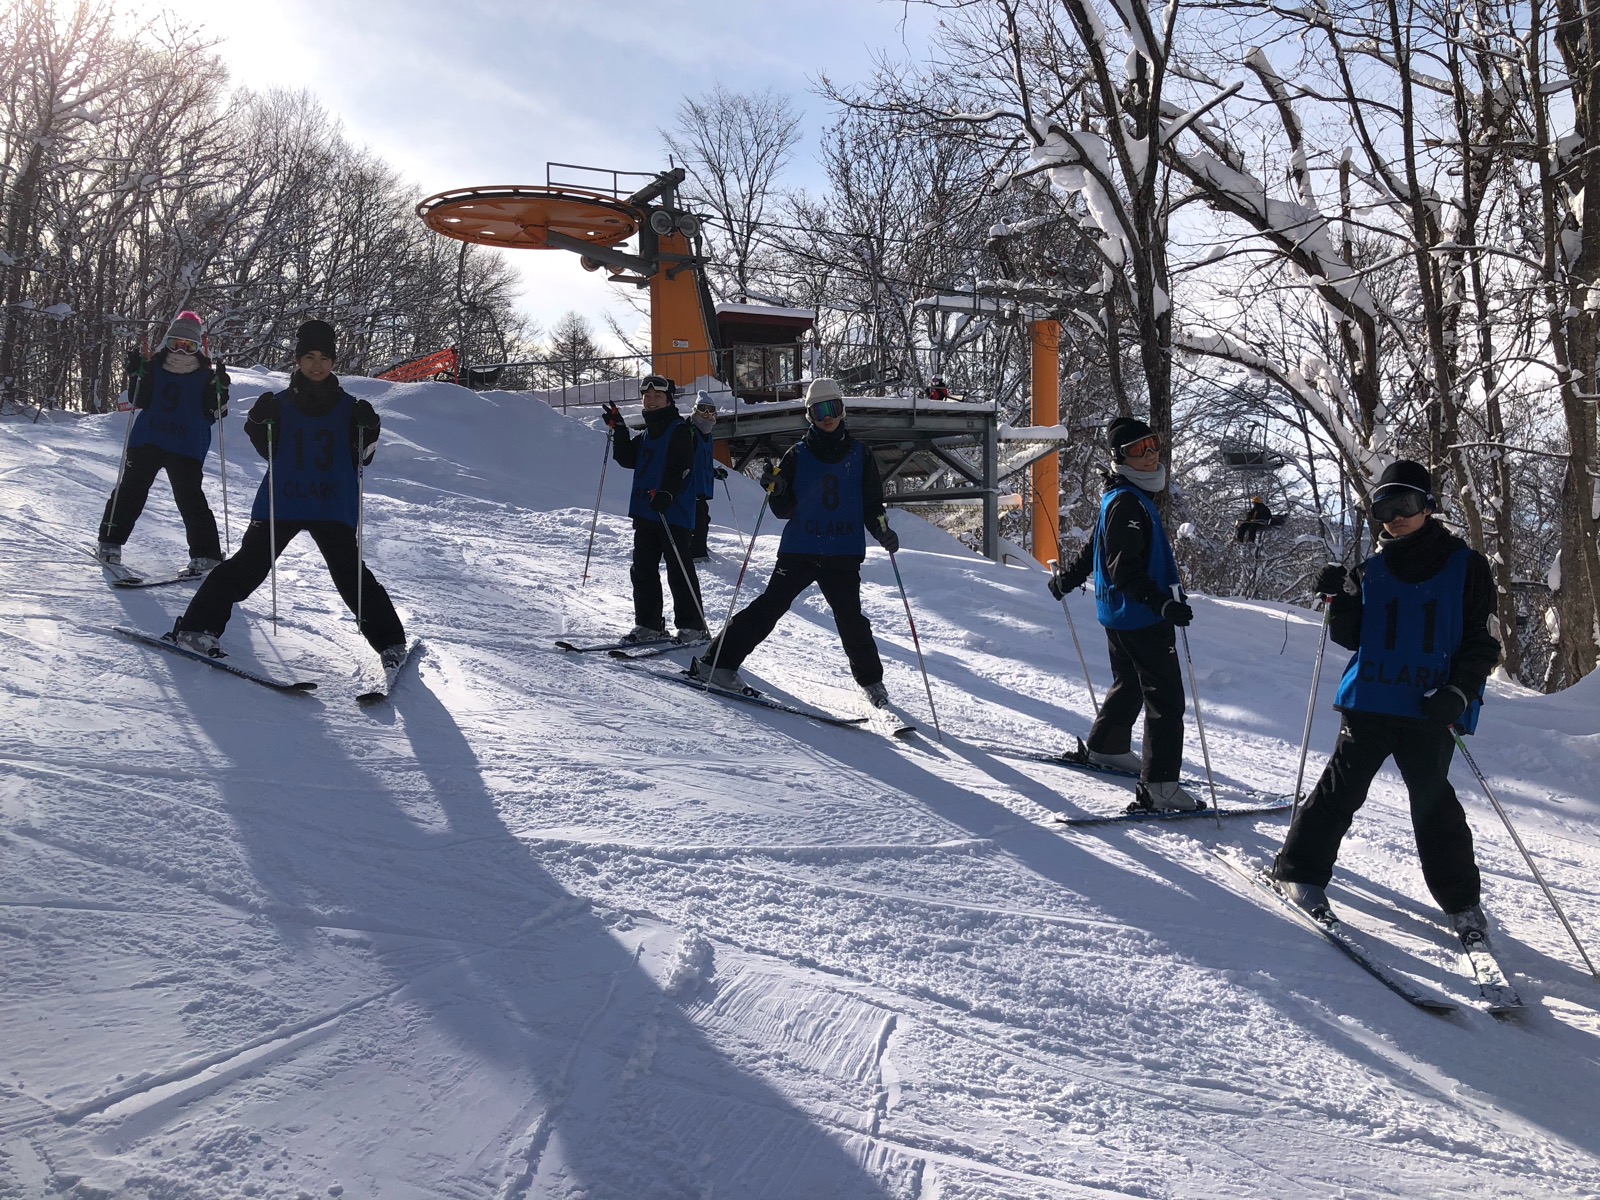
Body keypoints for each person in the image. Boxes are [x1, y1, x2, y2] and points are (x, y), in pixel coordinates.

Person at [1271, 460, 1500, 943]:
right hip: (1371, 699)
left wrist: (1458, 693)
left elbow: (1482, 642)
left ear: (1429, 507)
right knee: (1340, 791)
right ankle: (1299, 872)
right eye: (1384, 507)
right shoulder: (1369, 568)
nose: (1395, 517)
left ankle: (1461, 903)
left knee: (1434, 805)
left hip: (1429, 706)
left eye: (1407, 505)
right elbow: (1353, 637)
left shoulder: (1467, 566)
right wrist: (1340, 598)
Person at [171, 320, 406, 665]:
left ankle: (391, 644)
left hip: (331, 505)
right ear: (297, 359)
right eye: (309, 356)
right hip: (282, 501)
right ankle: (195, 627)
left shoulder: (351, 409)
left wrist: (369, 429)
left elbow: (363, 459)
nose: (316, 365)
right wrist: (256, 424)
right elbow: (269, 451)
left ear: (333, 361)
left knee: (352, 578)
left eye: (324, 357)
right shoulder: (278, 404)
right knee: (245, 570)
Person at [690, 378, 898, 707]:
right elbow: (783, 509)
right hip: (800, 549)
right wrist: (777, 486)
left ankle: (872, 683)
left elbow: (872, 505)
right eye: (819, 411)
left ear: (843, 412)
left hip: (842, 552)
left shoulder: (861, 455)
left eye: (833, 408)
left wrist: (882, 530)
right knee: (770, 607)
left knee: (851, 619)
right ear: (809, 416)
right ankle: (716, 663)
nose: (827, 416)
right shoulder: (797, 455)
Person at [1048, 416, 1201, 811]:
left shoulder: (1117, 495)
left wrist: (1068, 579)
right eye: (1138, 450)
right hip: (1141, 616)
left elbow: (1096, 550)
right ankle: (1160, 786)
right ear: (1120, 457)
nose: (1150, 456)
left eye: (1153, 444)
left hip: (1119, 614)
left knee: (1130, 681)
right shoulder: (1128, 501)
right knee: (1165, 698)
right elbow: (1122, 566)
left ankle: (1108, 747)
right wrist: (1162, 604)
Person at [95, 310, 228, 573]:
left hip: (187, 445)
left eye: (188, 346)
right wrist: (135, 374)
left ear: (198, 348)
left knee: (190, 498)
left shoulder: (206, 377)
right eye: (175, 343)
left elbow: (215, 413)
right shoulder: (153, 368)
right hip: (148, 439)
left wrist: (220, 391)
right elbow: (138, 400)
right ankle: (110, 543)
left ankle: (207, 554)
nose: (180, 351)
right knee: (131, 490)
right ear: (166, 343)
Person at [601, 374, 706, 645]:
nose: (651, 400)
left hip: (672, 513)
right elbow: (627, 459)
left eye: (657, 396)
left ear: (669, 399)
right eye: (647, 397)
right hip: (646, 512)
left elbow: (682, 467)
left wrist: (668, 493)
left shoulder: (679, 430)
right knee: (643, 568)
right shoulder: (648, 433)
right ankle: (649, 624)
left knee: (678, 569)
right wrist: (620, 429)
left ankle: (693, 626)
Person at [690, 394, 719, 561]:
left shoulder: (708, 433)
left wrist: (714, 472)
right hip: (690, 486)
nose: (707, 414)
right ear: (696, 410)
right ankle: (697, 554)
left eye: (711, 410)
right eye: (703, 409)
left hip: (702, 486)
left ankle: (699, 548)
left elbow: (703, 462)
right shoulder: (691, 431)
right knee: (699, 519)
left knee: (703, 517)